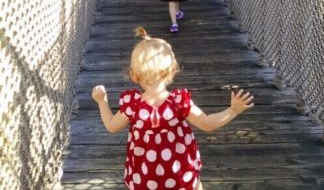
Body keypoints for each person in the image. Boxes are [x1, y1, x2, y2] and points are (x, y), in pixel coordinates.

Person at [92, 27, 254, 190]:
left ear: (134, 75)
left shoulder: (133, 105)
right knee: (195, 185)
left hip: (145, 175)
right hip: (180, 172)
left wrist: (102, 101)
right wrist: (233, 110)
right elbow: (207, 124)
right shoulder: (178, 103)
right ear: (172, 71)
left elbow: (111, 126)